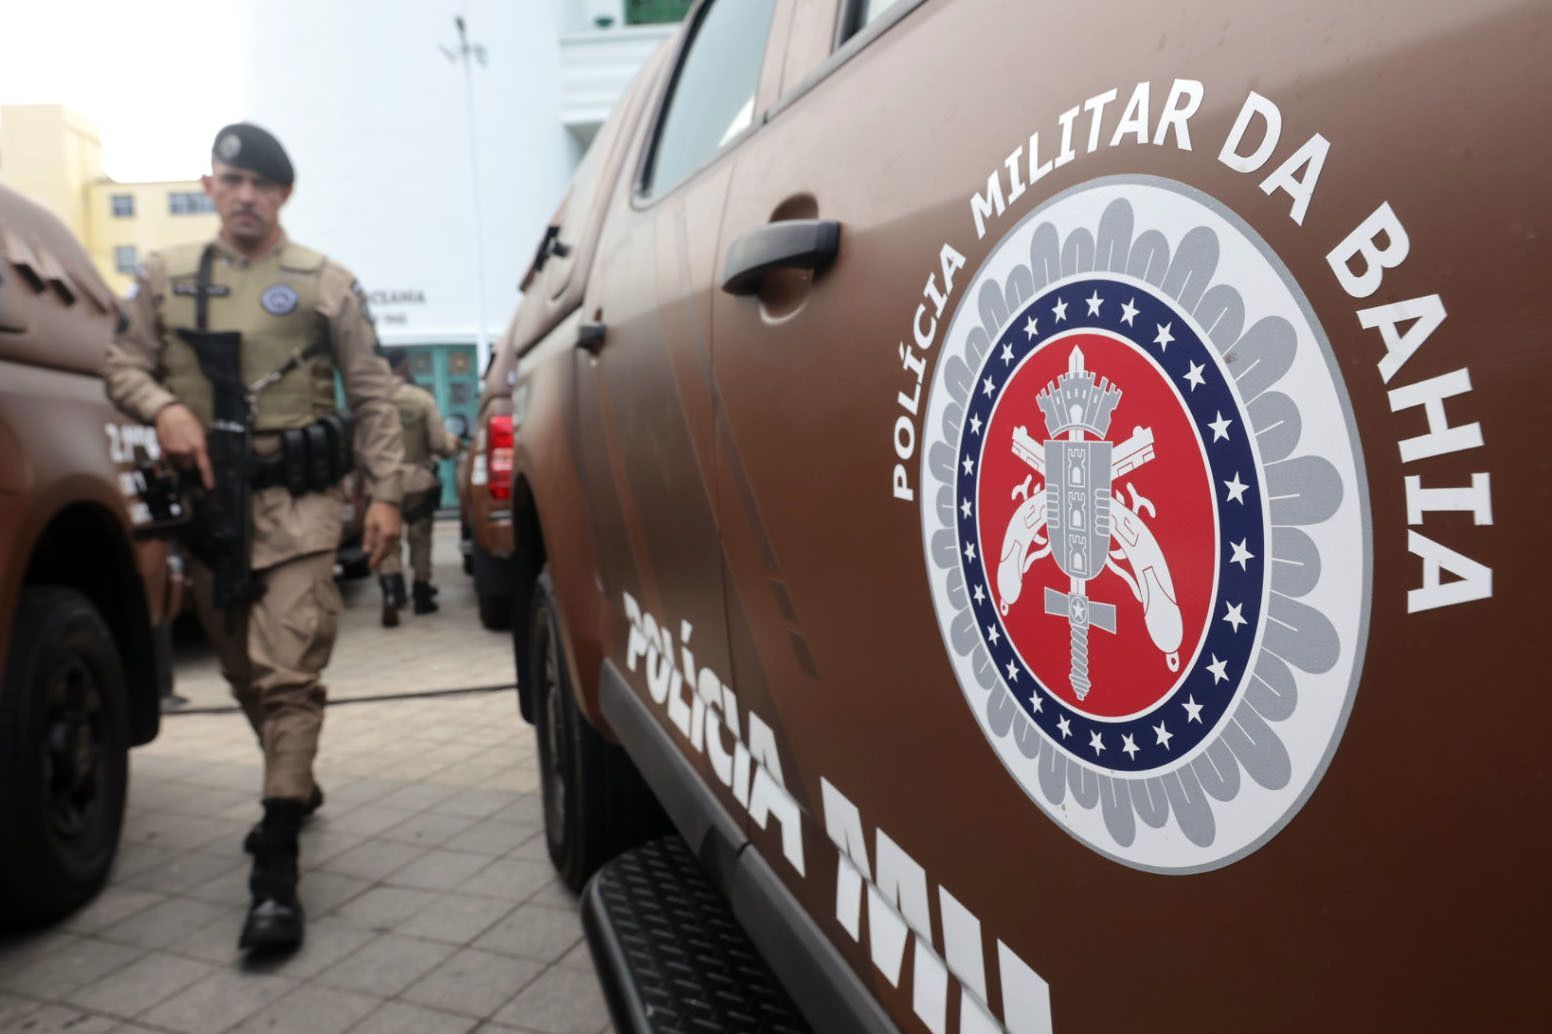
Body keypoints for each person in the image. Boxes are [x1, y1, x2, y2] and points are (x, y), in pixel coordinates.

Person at [104, 122, 404, 952]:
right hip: (208, 508)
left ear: (284, 195)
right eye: (232, 181)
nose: (246, 197)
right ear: (209, 186)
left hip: (299, 506)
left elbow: (373, 393)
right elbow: (120, 363)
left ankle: (275, 868)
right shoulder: (163, 276)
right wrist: (164, 407)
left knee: (288, 675)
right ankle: (294, 782)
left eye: (262, 185)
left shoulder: (325, 282)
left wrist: (386, 493)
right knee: (242, 671)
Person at [379, 352, 462, 627]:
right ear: (404, 366)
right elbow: (439, 444)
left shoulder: (375, 402)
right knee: (420, 537)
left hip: (383, 482)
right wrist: (452, 446)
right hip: (418, 481)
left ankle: (392, 592)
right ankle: (422, 593)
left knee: (387, 539)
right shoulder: (421, 399)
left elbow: (360, 446)